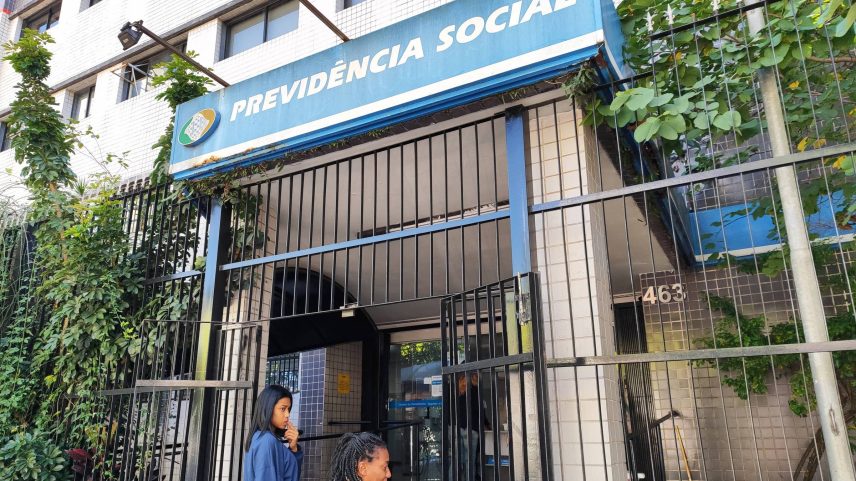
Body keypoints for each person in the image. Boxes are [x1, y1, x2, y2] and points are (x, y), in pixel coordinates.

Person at [244, 385, 303, 481]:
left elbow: (290, 474)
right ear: (268, 408)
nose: (288, 414)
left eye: (289, 409)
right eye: (283, 409)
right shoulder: (267, 441)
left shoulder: (260, 437)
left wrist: (293, 449)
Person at [450, 372, 491, 481]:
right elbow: (479, 411)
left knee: (457, 460)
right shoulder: (475, 390)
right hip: (471, 429)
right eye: (476, 377)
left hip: (457, 428)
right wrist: (487, 424)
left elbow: (450, 411)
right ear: (473, 378)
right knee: (470, 461)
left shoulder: (456, 392)